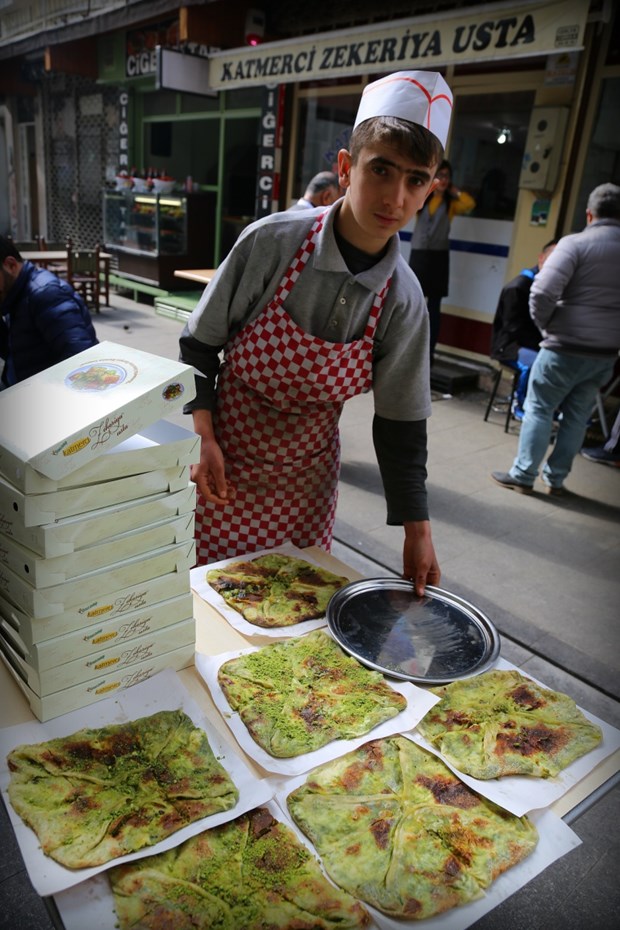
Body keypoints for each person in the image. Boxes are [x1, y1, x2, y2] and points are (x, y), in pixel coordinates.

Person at [179, 70, 454, 595]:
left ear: (430, 189)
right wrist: (203, 437)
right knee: (207, 600)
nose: (395, 197)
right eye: (381, 170)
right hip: (221, 466)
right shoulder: (271, 244)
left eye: (416, 179)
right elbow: (198, 345)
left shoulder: (402, 298)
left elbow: (401, 424)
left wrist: (418, 531)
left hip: (305, 488)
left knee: (291, 615)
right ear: (346, 167)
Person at [491, 182, 620, 495]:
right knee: (577, 415)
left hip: (563, 347)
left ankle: (523, 475)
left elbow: (543, 290)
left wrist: (547, 327)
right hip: (604, 353)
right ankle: (556, 479)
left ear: (589, 214)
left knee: (539, 408)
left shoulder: (574, 244)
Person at [0, 236, 98, 389]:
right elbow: (16, 350)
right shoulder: (12, 296)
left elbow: (82, 362)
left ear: (10, 265)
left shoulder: (45, 294)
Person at [409, 159, 475, 363]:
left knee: (434, 307)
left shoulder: (451, 203)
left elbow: (470, 204)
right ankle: (409, 347)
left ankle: (429, 353)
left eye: (447, 176)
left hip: (438, 256)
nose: (444, 180)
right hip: (419, 253)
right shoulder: (424, 199)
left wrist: (454, 191)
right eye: (440, 175)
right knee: (413, 300)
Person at [490, 239, 557, 420]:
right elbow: (513, 328)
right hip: (511, 346)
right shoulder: (519, 287)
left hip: (533, 343)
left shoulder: (549, 287)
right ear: (541, 258)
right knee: (537, 363)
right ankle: (520, 404)